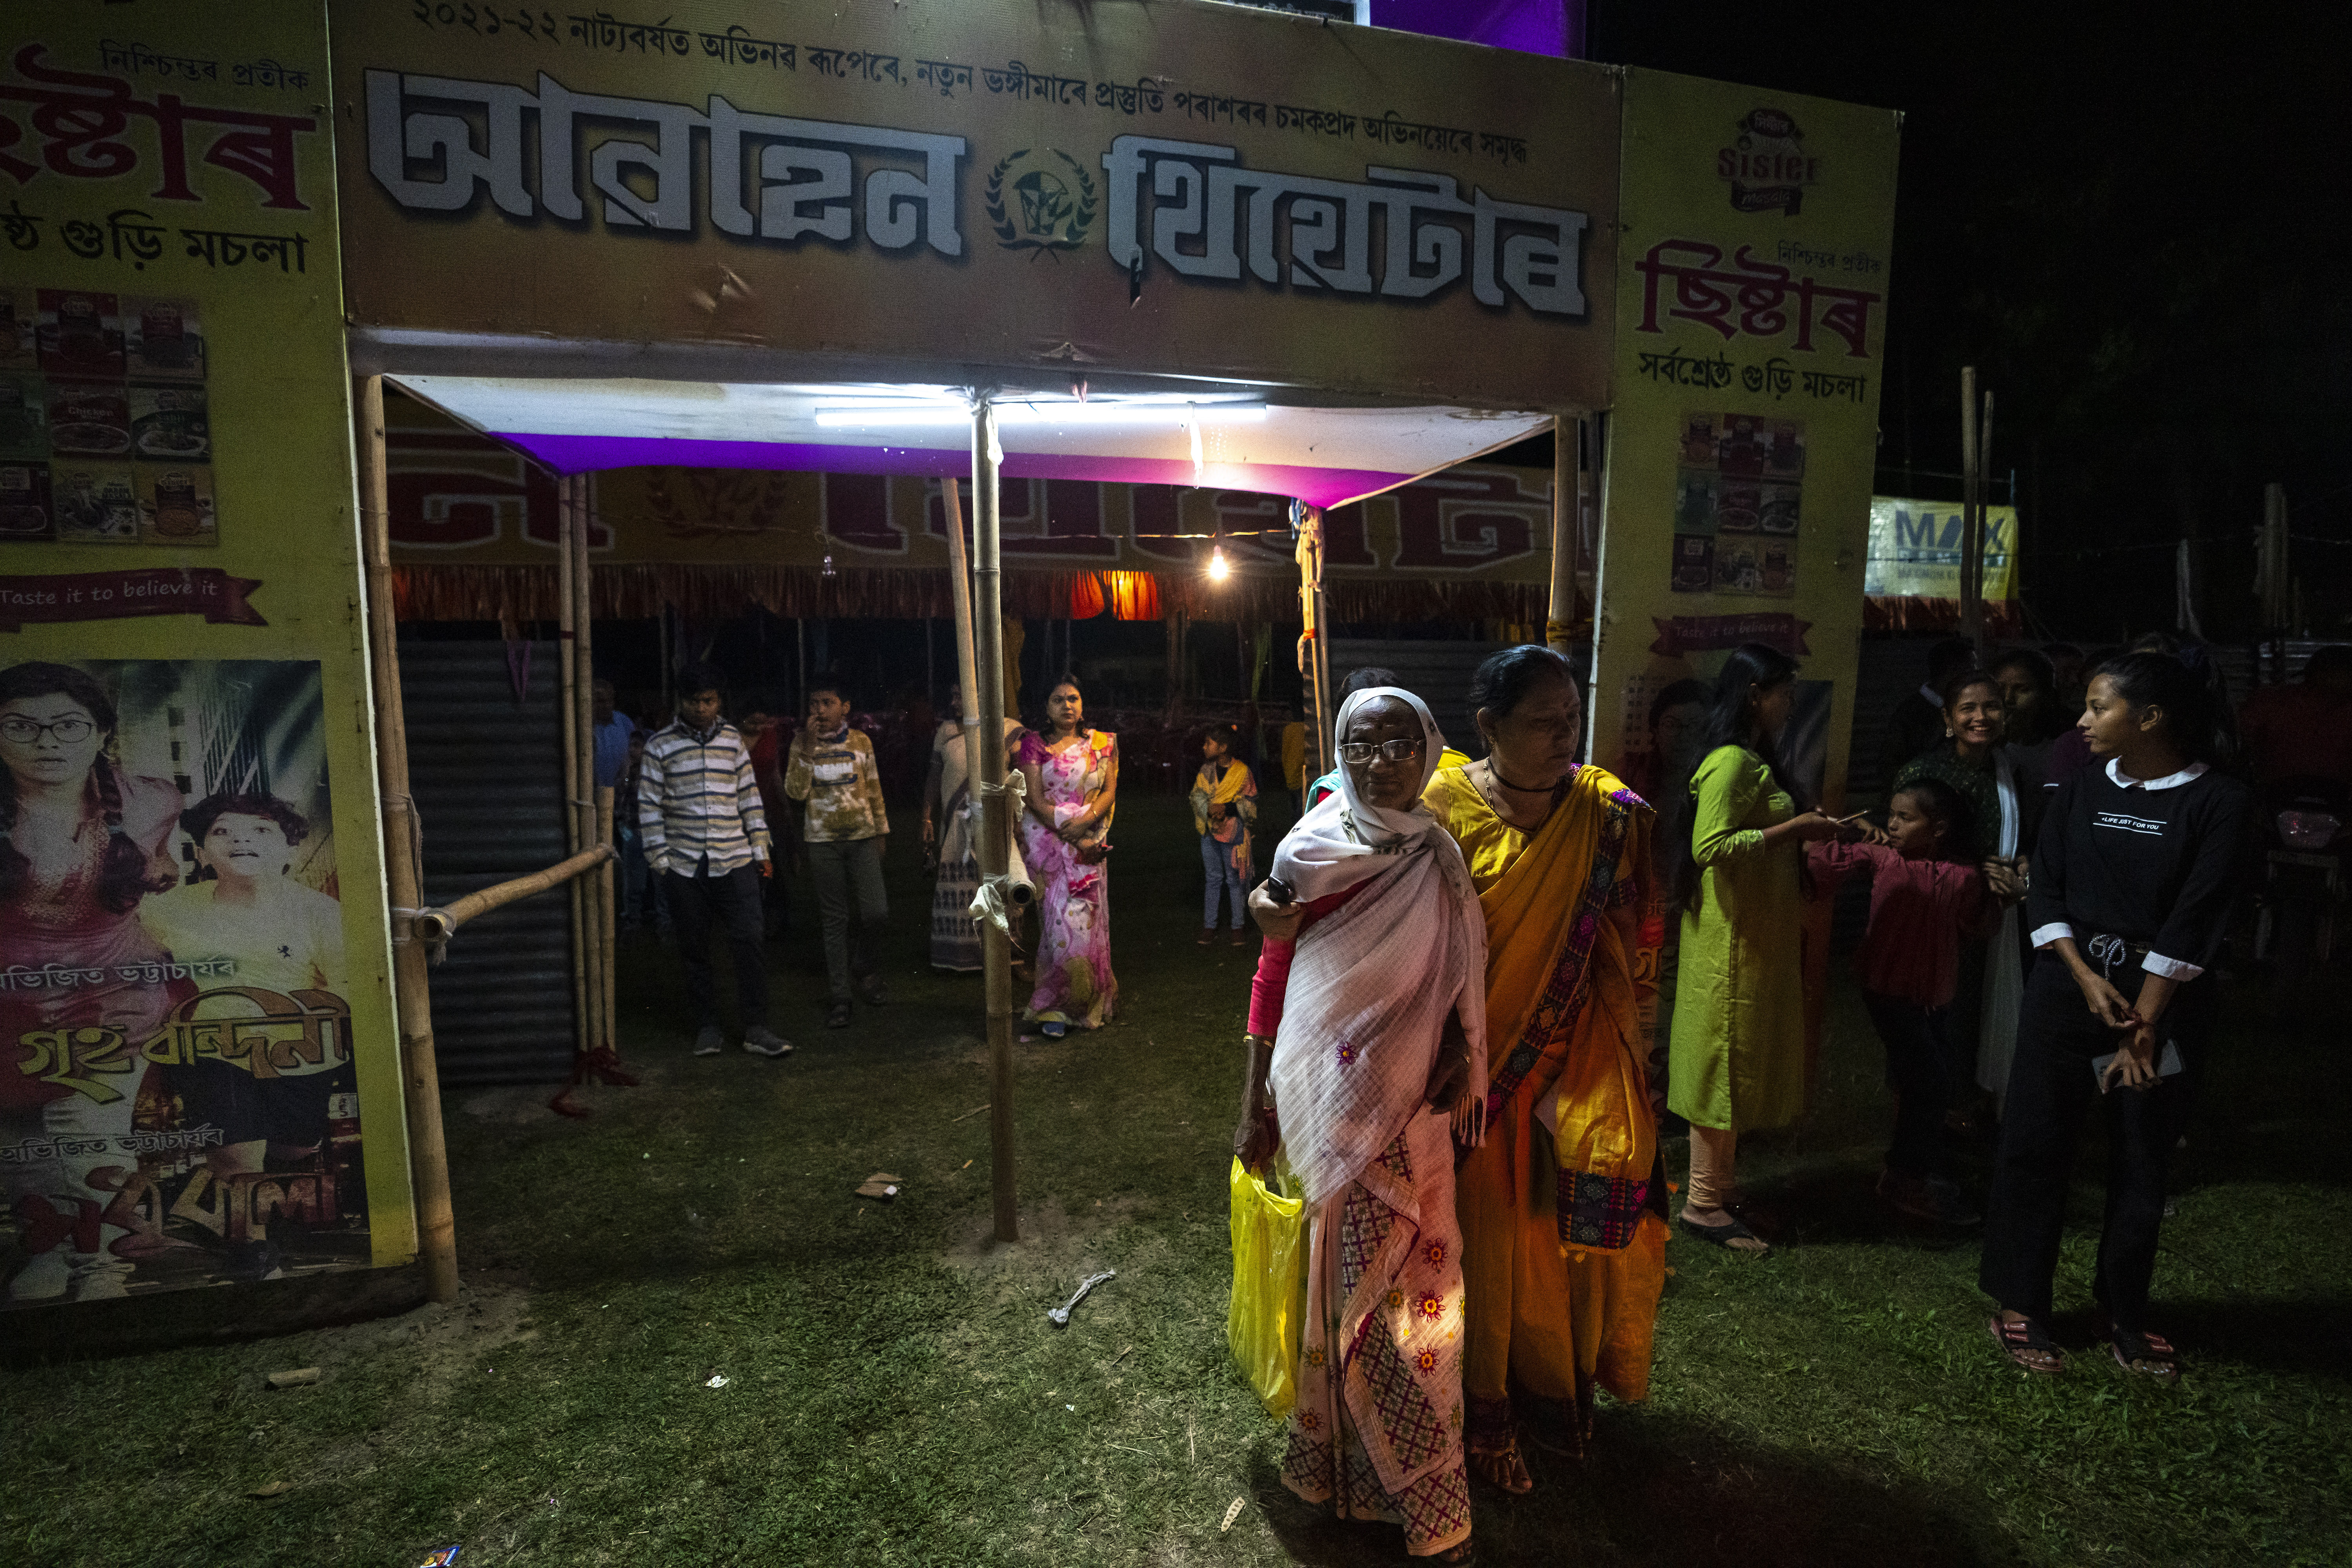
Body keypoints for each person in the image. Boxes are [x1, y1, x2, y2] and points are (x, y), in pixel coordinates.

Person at [1236, 686, 1485, 1564]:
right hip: (1326, 1101)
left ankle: (1426, 1499)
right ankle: (1349, 1477)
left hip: (1417, 1106)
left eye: (1400, 744)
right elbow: (1273, 974)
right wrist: (1254, 1098)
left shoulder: (1440, 853)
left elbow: (1458, 971)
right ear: (1339, 754)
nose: (1382, 763)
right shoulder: (1305, 850)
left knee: (1416, 1306)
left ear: (1430, 748)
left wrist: (1458, 1049)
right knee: (1349, 1295)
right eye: (1362, 745)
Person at [1419, 646, 1668, 1485]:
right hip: (1465, 1079)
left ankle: (1551, 1395)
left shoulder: (1606, 813)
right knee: (1480, 1249)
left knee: (1556, 1248)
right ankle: (1476, 1408)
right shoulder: (1438, 809)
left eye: (1572, 718)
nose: (1566, 736)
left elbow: (1629, 941)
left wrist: (1625, 1049)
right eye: (1543, 722)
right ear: (1488, 726)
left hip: (1572, 1066)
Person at [1980, 652, 2249, 1381]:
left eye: (2099, 707)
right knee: (2035, 1141)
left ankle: (2123, 1310)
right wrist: (2081, 975)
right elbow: (2046, 888)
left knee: (2142, 1154)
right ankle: (2020, 1301)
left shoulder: (2218, 802)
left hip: (2162, 1005)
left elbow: (2196, 918)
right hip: (2068, 991)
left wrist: (2144, 1024)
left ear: (2151, 718)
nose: (2083, 721)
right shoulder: (2081, 789)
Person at [0, 661, 184, 1301]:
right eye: (21, 726)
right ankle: (50, 1251)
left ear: (102, 733)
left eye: (68, 725)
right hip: (10, 1008)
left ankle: (103, 1274)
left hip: (113, 996)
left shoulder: (152, 800)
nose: (47, 742)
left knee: (85, 1133)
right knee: (20, 1140)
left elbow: (161, 864)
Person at [1666, 644, 1844, 1253]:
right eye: (1783, 692)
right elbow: (1710, 847)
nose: (1791, 703)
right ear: (1753, 694)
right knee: (1721, 1063)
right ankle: (1703, 1204)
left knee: (1735, 1062)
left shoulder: (1750, 759)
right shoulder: (1731, 763)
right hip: (1731, 943)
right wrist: (1796, 828)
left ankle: (1720, 1190)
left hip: (1748, 936)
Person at [1805, 778, 1996, 1225]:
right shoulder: (1884, 857)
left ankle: (1913, 1171)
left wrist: (1997, 891)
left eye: (1905, 818)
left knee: (1925, 1083)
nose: (1892, 824)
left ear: (1940, 828)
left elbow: (1979, 923)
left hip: (1935, 995)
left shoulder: (1964, 875)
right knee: (1930, 1084)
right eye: (1890, 815)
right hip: (1888, 989)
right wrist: (1840, 830)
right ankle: (1905, 1180)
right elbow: (1821, 863)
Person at [139, 792, 350, 1183]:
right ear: (202, 854)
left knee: (295, 1149)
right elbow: (138, 976)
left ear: (290, 850)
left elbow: (346, 991)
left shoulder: (321, 913)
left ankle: (271, 1191)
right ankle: (242, 1218)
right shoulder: (165, 910)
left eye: (261, 830)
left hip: (298, 1055)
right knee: (235, 1160)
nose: (241, 839)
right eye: (222, 831)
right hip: (211, 1048)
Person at [1893, 671, 2042, 1121]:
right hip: (1935, 914)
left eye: (1992, 706)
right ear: (1947, 718)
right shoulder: (1922, 774)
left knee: (1975, 1010)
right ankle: (1928, 1116)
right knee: (1937, 1013)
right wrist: (1979, 874)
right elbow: (1904, 849)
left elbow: (2027, 838)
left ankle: (1971, 1105)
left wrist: (2021, 867)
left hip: (1990, 915)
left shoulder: (2012, 769)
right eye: (1968, 708)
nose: (1981, 717)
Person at [638, 662, 792, 1060]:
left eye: (709, 700)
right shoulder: (660, 746)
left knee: (751, 940)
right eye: (695, 700)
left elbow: (749, 798)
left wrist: (761, 850)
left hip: (734, 857)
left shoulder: (732, 741)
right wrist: (661, 862)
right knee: (694, 948)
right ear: (681, 701)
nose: (703, 708)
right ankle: (707, 1026)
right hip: (685, 863)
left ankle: (756, 1027)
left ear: (720, 700)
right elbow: (649, 806)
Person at [784, 679, 891, 1029]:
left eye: (827, 702)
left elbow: (873, 787)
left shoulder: (861, 741)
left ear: (845, 707)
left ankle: (865, 966)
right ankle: (841, 996)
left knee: (876, 911)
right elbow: (795, 793)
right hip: (822, 840)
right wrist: (807, 748)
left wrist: (881, 831)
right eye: (814, 703)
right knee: (835, 919)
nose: (819, 710)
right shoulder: (801, 743)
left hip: (862, 837)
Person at [1016, 678, 1118, 1038]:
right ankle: (1055, 1007)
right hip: (1049, 849)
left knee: (1088, 927)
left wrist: (1086, 826)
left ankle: (1088, 1003)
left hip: (1089, 845)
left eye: (1073, 698)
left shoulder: (1102, 744)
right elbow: (1034, 799)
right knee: (1059, 929)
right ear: (1046, 708)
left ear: (1083, 704)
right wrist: (1069, 829)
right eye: (1058, 700)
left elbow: (1109, 791)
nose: (1067, 706)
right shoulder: (1033, 745)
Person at [921, 684, 1024, 973]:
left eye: (961, 695)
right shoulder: (946, 732)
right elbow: (934, 777)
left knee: (1001, 884)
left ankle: (1007, 958)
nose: (955, 702)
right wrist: (927, 818)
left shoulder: (1008, 729)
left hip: (999, 822)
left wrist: (1020, 822)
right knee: (962, 887)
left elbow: (1021, 779)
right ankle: (959, 958)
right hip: (956, 823)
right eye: (952, 696)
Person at [1305, 669, 1472, 810]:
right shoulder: (1330, 798)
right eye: (1361, 747)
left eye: (1399, 745)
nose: (1378, 766)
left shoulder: (1438, 835)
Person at [2237, 644, 2352, 788]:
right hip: (2276, 793)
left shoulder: (2271, 701)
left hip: (2335, 796)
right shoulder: (2272, 702)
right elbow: (2240, 742)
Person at [1877, 637, 1976, 794]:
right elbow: (1891, 769)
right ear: (1952, 672)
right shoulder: (1911, 714)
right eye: (1970, 668)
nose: (1975, 675)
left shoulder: (1965, 707)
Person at [1192, 724, 1258, 946]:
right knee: (1212, 878)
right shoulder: (1206, 771)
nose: (1204, 747)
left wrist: (1227, 808)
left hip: (1234, 833)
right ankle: (1209, 926)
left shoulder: (1243, 772)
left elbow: (1251, 802)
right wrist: (1209, 809)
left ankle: (1237, 927)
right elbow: (1197, 796)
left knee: (1234, 879)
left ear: (1223, 747)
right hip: (1209, 832)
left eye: (1208, 743)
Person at [1991, 648, 2062, 779]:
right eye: (2000, 689)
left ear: (2046, 694)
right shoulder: (1981, 744)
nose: (2008, 699)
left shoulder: (2061, 750)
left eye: (2022, 690)